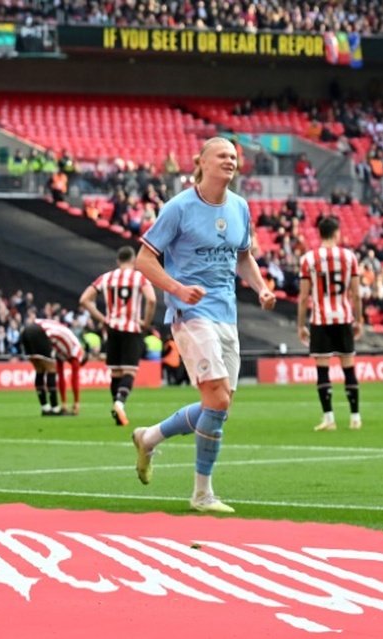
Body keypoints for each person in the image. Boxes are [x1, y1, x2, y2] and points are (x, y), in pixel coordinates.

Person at [131, 137, 276, 514]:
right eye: (222, 155)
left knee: (219, 404)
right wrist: (178, 288)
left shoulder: (240, 207)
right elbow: (144, 261)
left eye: (233, 155)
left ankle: (149, 437)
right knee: (218, 398)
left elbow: (243, 257)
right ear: (202, 162)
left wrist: (260, 288)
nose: (230, 160)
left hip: (226, 313)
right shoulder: (179, 208)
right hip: (190, 314)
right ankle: (202, 494)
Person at [297, 215, 363, 432]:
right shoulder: (349, 257)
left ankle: (329, 418)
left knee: (323, 370)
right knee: (349, 368)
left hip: (320, 319)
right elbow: (356, 294)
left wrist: (300, 325)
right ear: (337, 233)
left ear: (319, 233)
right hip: (344, 317)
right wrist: (359, 319)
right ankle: (355, 417)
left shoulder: (308, 259)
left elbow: (304, 296)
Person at [79, 245, 156, 426]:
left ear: (118, 261)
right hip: (131, 328)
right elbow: (151, 299)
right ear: (134, 260)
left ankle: (117, 410)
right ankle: (120, 403)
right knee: (129, 371)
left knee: (116, 372)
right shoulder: (139, 277)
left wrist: (103, 318)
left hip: (112, 328)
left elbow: (84, 300)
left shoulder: (106, 278)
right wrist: (145, 322)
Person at [19, 317, 86, 416]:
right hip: (40, 331)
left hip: (26, 330)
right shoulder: (77, 350)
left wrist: (64, 403)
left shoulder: (64, 347)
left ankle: (45, 407)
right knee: (51, 369)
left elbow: (61, 374)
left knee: (39, 369)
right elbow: (74, 378)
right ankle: (55, 408)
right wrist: (76, 403)